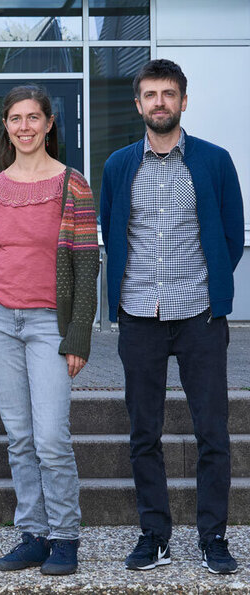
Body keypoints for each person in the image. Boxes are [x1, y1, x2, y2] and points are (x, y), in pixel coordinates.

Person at [100, 59, 243, 575]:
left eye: (169, 93)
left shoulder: (213, 160)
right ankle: (155, 536)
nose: (159, 102)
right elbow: (113, 229)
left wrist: (211, 289)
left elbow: (231, 235)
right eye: (150, 94)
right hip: (139, 313)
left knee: (213, 433)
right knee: (143, 433)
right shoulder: (119, 164)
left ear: (184, 101)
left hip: (199, 315)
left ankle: (213, 538)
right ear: (138, 104)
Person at [0, 85, 98, 576]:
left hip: (48, 325)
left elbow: (87, 264)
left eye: (33, 118)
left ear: (49, 125)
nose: (24, 127)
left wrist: (78, 333)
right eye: (16, 119)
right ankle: (34, 535)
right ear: (7, 125)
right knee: (19, 438)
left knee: (51, 438)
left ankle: (65, 537)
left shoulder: (72, 184)